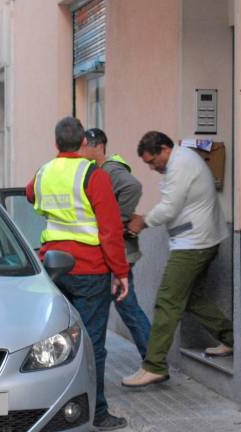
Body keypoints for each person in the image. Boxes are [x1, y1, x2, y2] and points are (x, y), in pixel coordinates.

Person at [26, 117, 130, 431]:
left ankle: (50, 407)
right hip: (90, 270)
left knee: (51, 341)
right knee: (91, 344)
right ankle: (97, 413)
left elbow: (30, 195)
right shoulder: (92, 175)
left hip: (54, 269)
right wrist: (120, 271)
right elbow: (110, 229)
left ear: (56, 143)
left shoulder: (44, 172)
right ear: (84, 142)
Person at [121, 131, 233, 388]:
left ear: (164, 149)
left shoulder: (180, 163)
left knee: (167, 301)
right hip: (200, 239)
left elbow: (169, 207)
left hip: (193, 244)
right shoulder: (182, 161)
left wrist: (142, 221)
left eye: (152, 161)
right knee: (192, 298)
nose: (151, 167)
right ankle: (231, 339)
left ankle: (154, 366)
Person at [79, 128, 152, 359]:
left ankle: (153, 361)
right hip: (114, 251)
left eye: (85, 147)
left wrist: (119, 218)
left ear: (98, 146)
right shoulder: (98, 170)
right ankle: (153, 359)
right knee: (125, 307)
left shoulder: (111, 169)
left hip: (118, 252)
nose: (81, 152)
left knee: (127, 307)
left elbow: (134, 186)